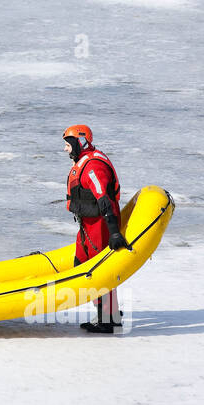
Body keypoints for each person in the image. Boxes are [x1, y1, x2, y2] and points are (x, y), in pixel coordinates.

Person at [63, 124, 128, 333]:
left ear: (79, 143)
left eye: (67, 145)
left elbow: (104, 199)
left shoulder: (93, 167)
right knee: (80, 264)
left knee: (98, 270)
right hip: (88, 225)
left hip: (100, 226)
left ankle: (109, 319)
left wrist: (114, 232)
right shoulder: (85, 161)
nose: (65, 149)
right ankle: (106, 312)